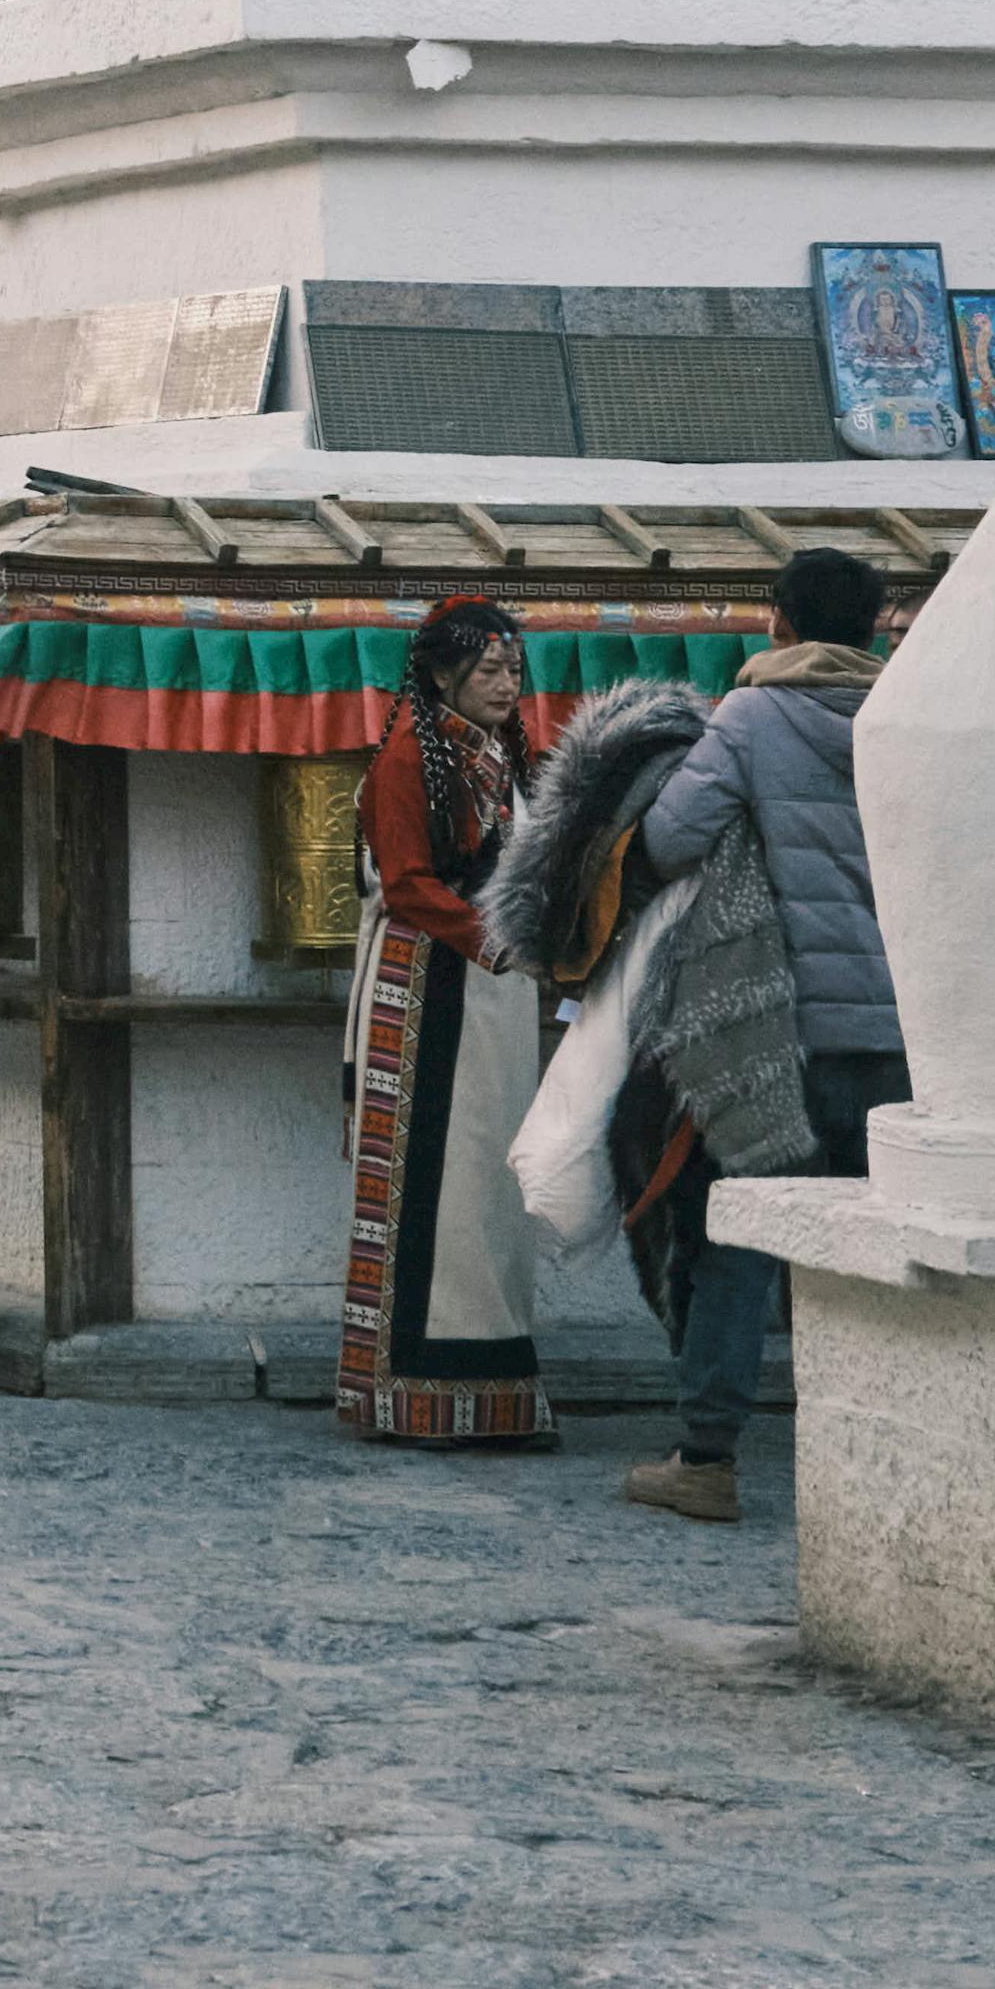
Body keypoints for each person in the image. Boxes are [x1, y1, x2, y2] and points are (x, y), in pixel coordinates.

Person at [617, 547, 910, 1524]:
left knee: (742, 1234)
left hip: (780, 1031)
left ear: (776, 623)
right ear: (873, 629)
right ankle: (901, 1456)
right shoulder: (909, 719)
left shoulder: (747, 717)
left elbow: (667, 838)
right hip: (899, 1029)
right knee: (881, 1244)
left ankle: (706, 1460)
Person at [332, 591, 564, 1450]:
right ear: (441, 673)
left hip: (490, 987)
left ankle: (492, 1386)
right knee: (439, 1185)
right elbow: (408, 887)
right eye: (489, 668)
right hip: (426, 987)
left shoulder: (499, 756)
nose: (507, 684)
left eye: (514, 667)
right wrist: (506, 941)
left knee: (492, 1185)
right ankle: (419, 1392)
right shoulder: (406, 761)